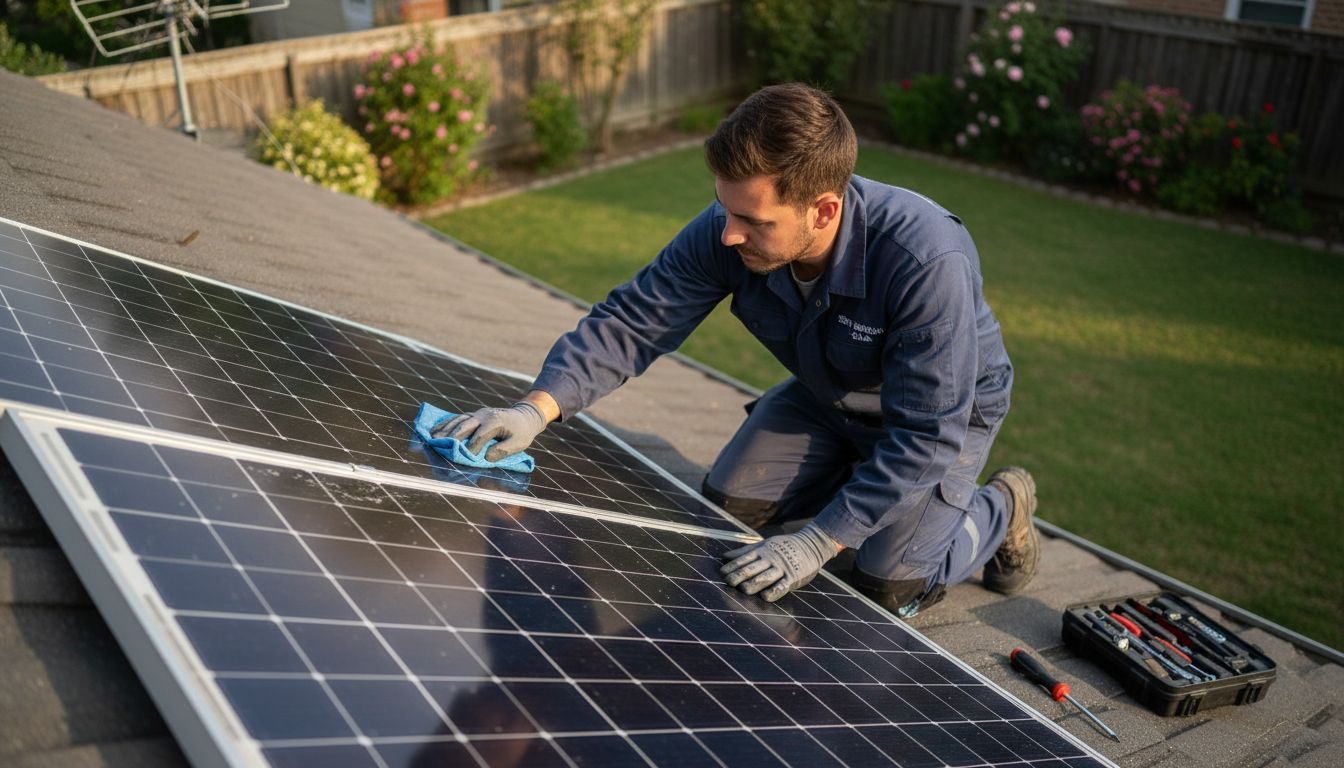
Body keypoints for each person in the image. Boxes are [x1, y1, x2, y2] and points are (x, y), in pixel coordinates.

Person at [436, 83, 1039, 617]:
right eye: (725, 209)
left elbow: (927, 435)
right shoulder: (728, 226)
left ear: (824, 209)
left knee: (886, 587)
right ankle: (860, 489)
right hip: (829, 396)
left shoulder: (924, 260)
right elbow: (634, 320)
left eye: (752, 219)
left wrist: (819, 541)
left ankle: (995, 510)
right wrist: (534, 409)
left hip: (938, 423)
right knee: (726, 506)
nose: (729, 234)